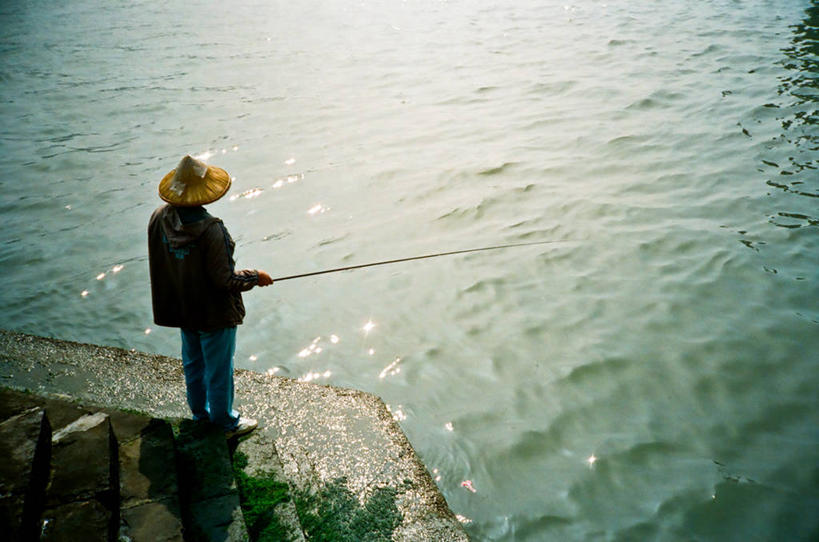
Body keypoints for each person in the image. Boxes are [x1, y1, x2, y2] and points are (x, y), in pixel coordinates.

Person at [148, 155, 273, 439]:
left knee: (193, 364)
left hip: (182, 308)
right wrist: (256, 276)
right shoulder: (211, 229)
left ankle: (200, 415)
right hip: (214, 313)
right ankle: (225, 422)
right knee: (219, 369)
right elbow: (224, 280)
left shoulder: (158, 218)